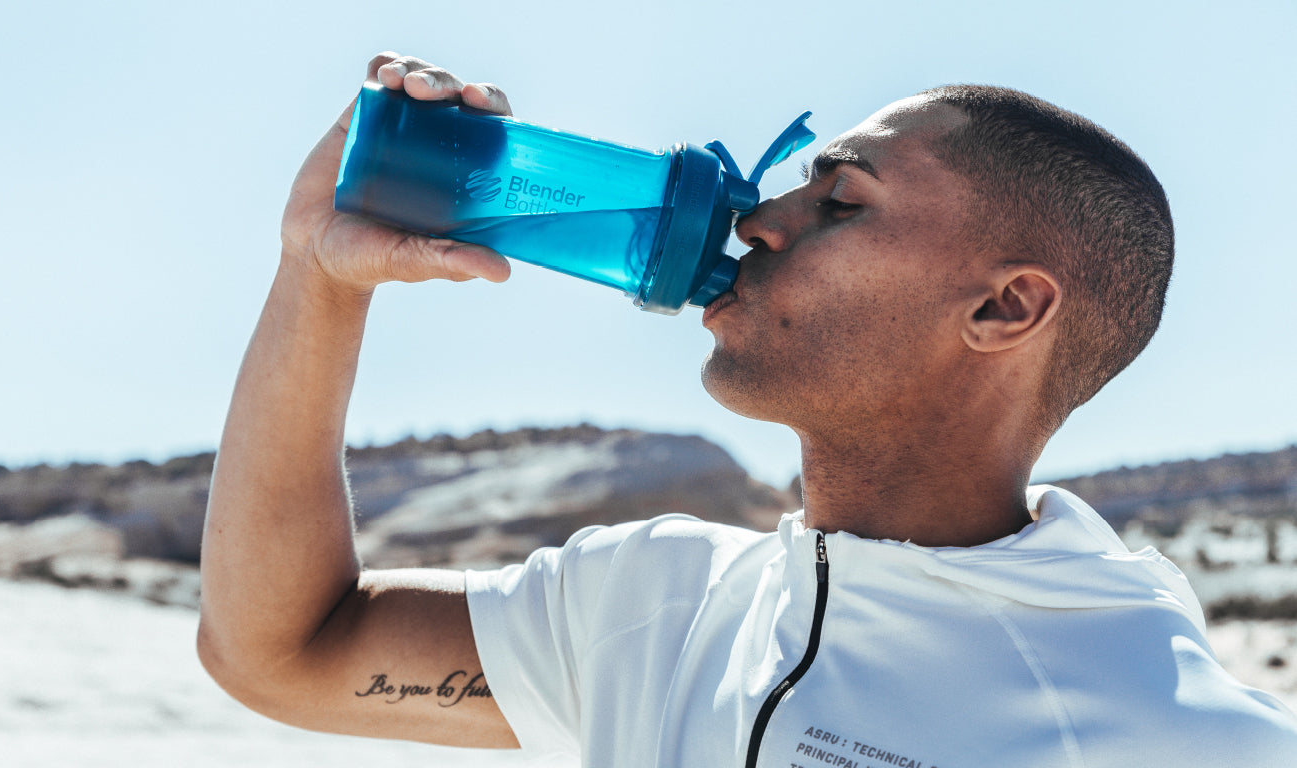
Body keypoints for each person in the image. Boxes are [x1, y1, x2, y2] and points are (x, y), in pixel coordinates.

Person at [196, 51, 1297, 766]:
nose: (760, 220)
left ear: (1004, 307)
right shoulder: (651, 604)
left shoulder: (1164, 733)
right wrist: (318, 277)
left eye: (841, 199)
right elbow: (281, 651)